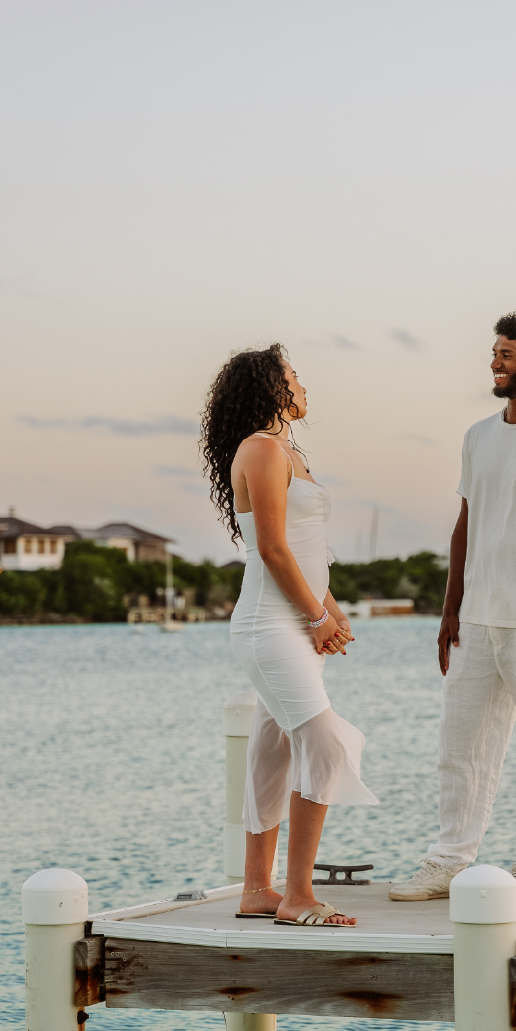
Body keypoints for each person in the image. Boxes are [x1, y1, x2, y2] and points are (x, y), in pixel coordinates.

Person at [390, 312, 516, 904]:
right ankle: (450, 858)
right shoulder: (477, 436)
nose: (495, 362)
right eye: (494, 352)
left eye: (507, 353)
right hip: (478, 617)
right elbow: (465, 525)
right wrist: (449, 609)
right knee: (461, 747)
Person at [201, 344, 378, 927]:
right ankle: (298, 895)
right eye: (294, 376)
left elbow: (306, 551)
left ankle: (259, 889)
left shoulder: (287, 452)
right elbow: (271, 549)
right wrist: (314, 617)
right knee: (325, 743)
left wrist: (330, 607)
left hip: (294, 619)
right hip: (269, 624)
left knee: (272, 749)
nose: (304, 386)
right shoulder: (259, 449)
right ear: (271, 386)